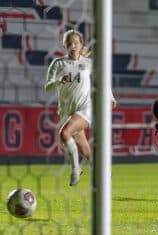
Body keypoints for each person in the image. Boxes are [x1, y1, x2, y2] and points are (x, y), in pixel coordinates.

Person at [45, 29, 117, 186]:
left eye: (76, 43)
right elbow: (47, 87)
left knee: (64, 133)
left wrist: (110, 97)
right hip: (67, 111)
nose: (73, 46)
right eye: (69, 43)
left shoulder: (87, 64)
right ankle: (104, 173)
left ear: (81, 44)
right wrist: (59, 81)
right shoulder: (58, 63)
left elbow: (101, 81)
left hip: (85, 108)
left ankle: (76, 169)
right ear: (65, 45)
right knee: (85, 149)